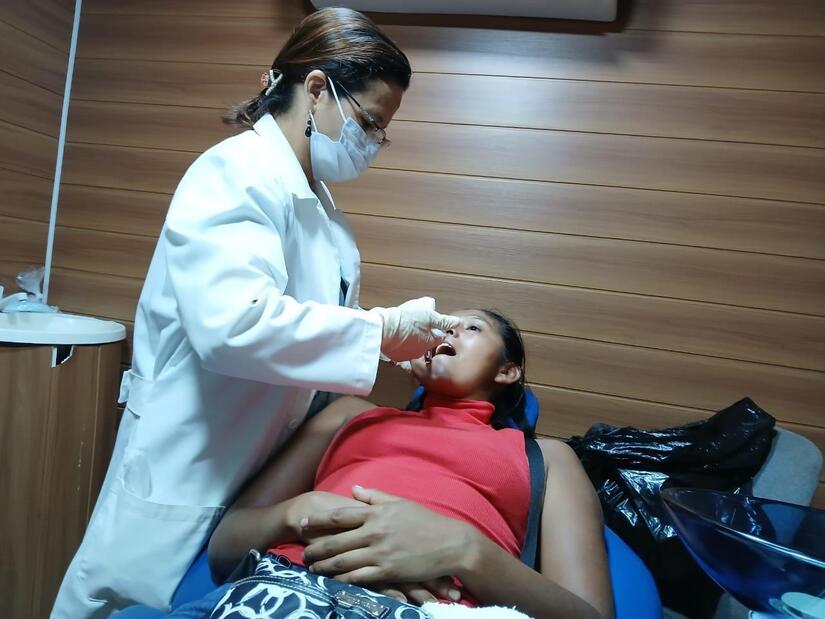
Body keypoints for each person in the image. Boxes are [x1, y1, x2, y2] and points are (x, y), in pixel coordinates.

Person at [52, 8, 460, 618]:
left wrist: (384, 346)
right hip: (189, 456)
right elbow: (235, 326)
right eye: (370, 122)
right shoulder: (235, 173)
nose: (374, 143)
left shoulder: (323, 213)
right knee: (124, 601)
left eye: (383, 131)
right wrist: (378, 331)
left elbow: (308, 333)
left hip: (258, 466)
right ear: (317, 89)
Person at [121, 310, 614, 619]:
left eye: (471, 327)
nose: (447, 328)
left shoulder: (548, 457)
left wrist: (464, 551)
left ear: (507, 370)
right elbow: (225, 547)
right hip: (278, 594)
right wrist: (298, 512)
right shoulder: (350, 416)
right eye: (442, 321)